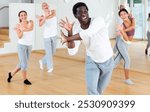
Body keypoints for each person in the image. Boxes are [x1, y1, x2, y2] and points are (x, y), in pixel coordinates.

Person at [60, 2, 114, 95]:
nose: (84, 13)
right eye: (80, 12)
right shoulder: (77, 30)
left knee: (99, 91)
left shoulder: (98, 20)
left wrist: (68, 38)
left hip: (108, 61)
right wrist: (70, 32)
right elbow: (72, 51)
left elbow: (88, 33)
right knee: (92, 92)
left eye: (85, 11)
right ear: (75, 15)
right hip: (92, 61)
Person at [7, 10, 33, 85]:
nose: (24, 16)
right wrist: (22, 29)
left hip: (29, 46)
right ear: (19, 17)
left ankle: (11, 74)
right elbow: (20, 36)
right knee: (24, 64)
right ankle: (25, 80)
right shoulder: (18, 25)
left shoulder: (30, 22)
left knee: (22, 63)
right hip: (21, 46)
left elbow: (31, 29)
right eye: (22, 15)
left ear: (27, 15)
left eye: (25, 14)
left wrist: (22, 29)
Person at [114, 8, 135, 85]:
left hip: (127, 44)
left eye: (124, 14)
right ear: (120, 17)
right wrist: (121, 30)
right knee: (127, 59)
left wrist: (122, 31)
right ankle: (127, 79)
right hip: (122, 42)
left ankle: (102, 71)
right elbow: (126, 39)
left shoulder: (132, 19)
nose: (123, 16)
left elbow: (133, 26)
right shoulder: (122, 26)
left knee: (116, 61)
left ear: (127, 14)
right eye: (121, 15)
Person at [37, 2, 57, 73]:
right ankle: (50, 67)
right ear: (42, 8)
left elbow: (52, 16)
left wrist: (42, 18)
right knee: (48, 52)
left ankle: (42, 61)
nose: (45, 6)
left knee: (53, 52)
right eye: (43, 6)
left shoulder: (53, 11)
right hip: (46, 36)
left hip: (54, 35)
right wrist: (43, 17)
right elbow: (40, 24)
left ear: (48, 6)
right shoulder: (42, 15)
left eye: (46, 5)